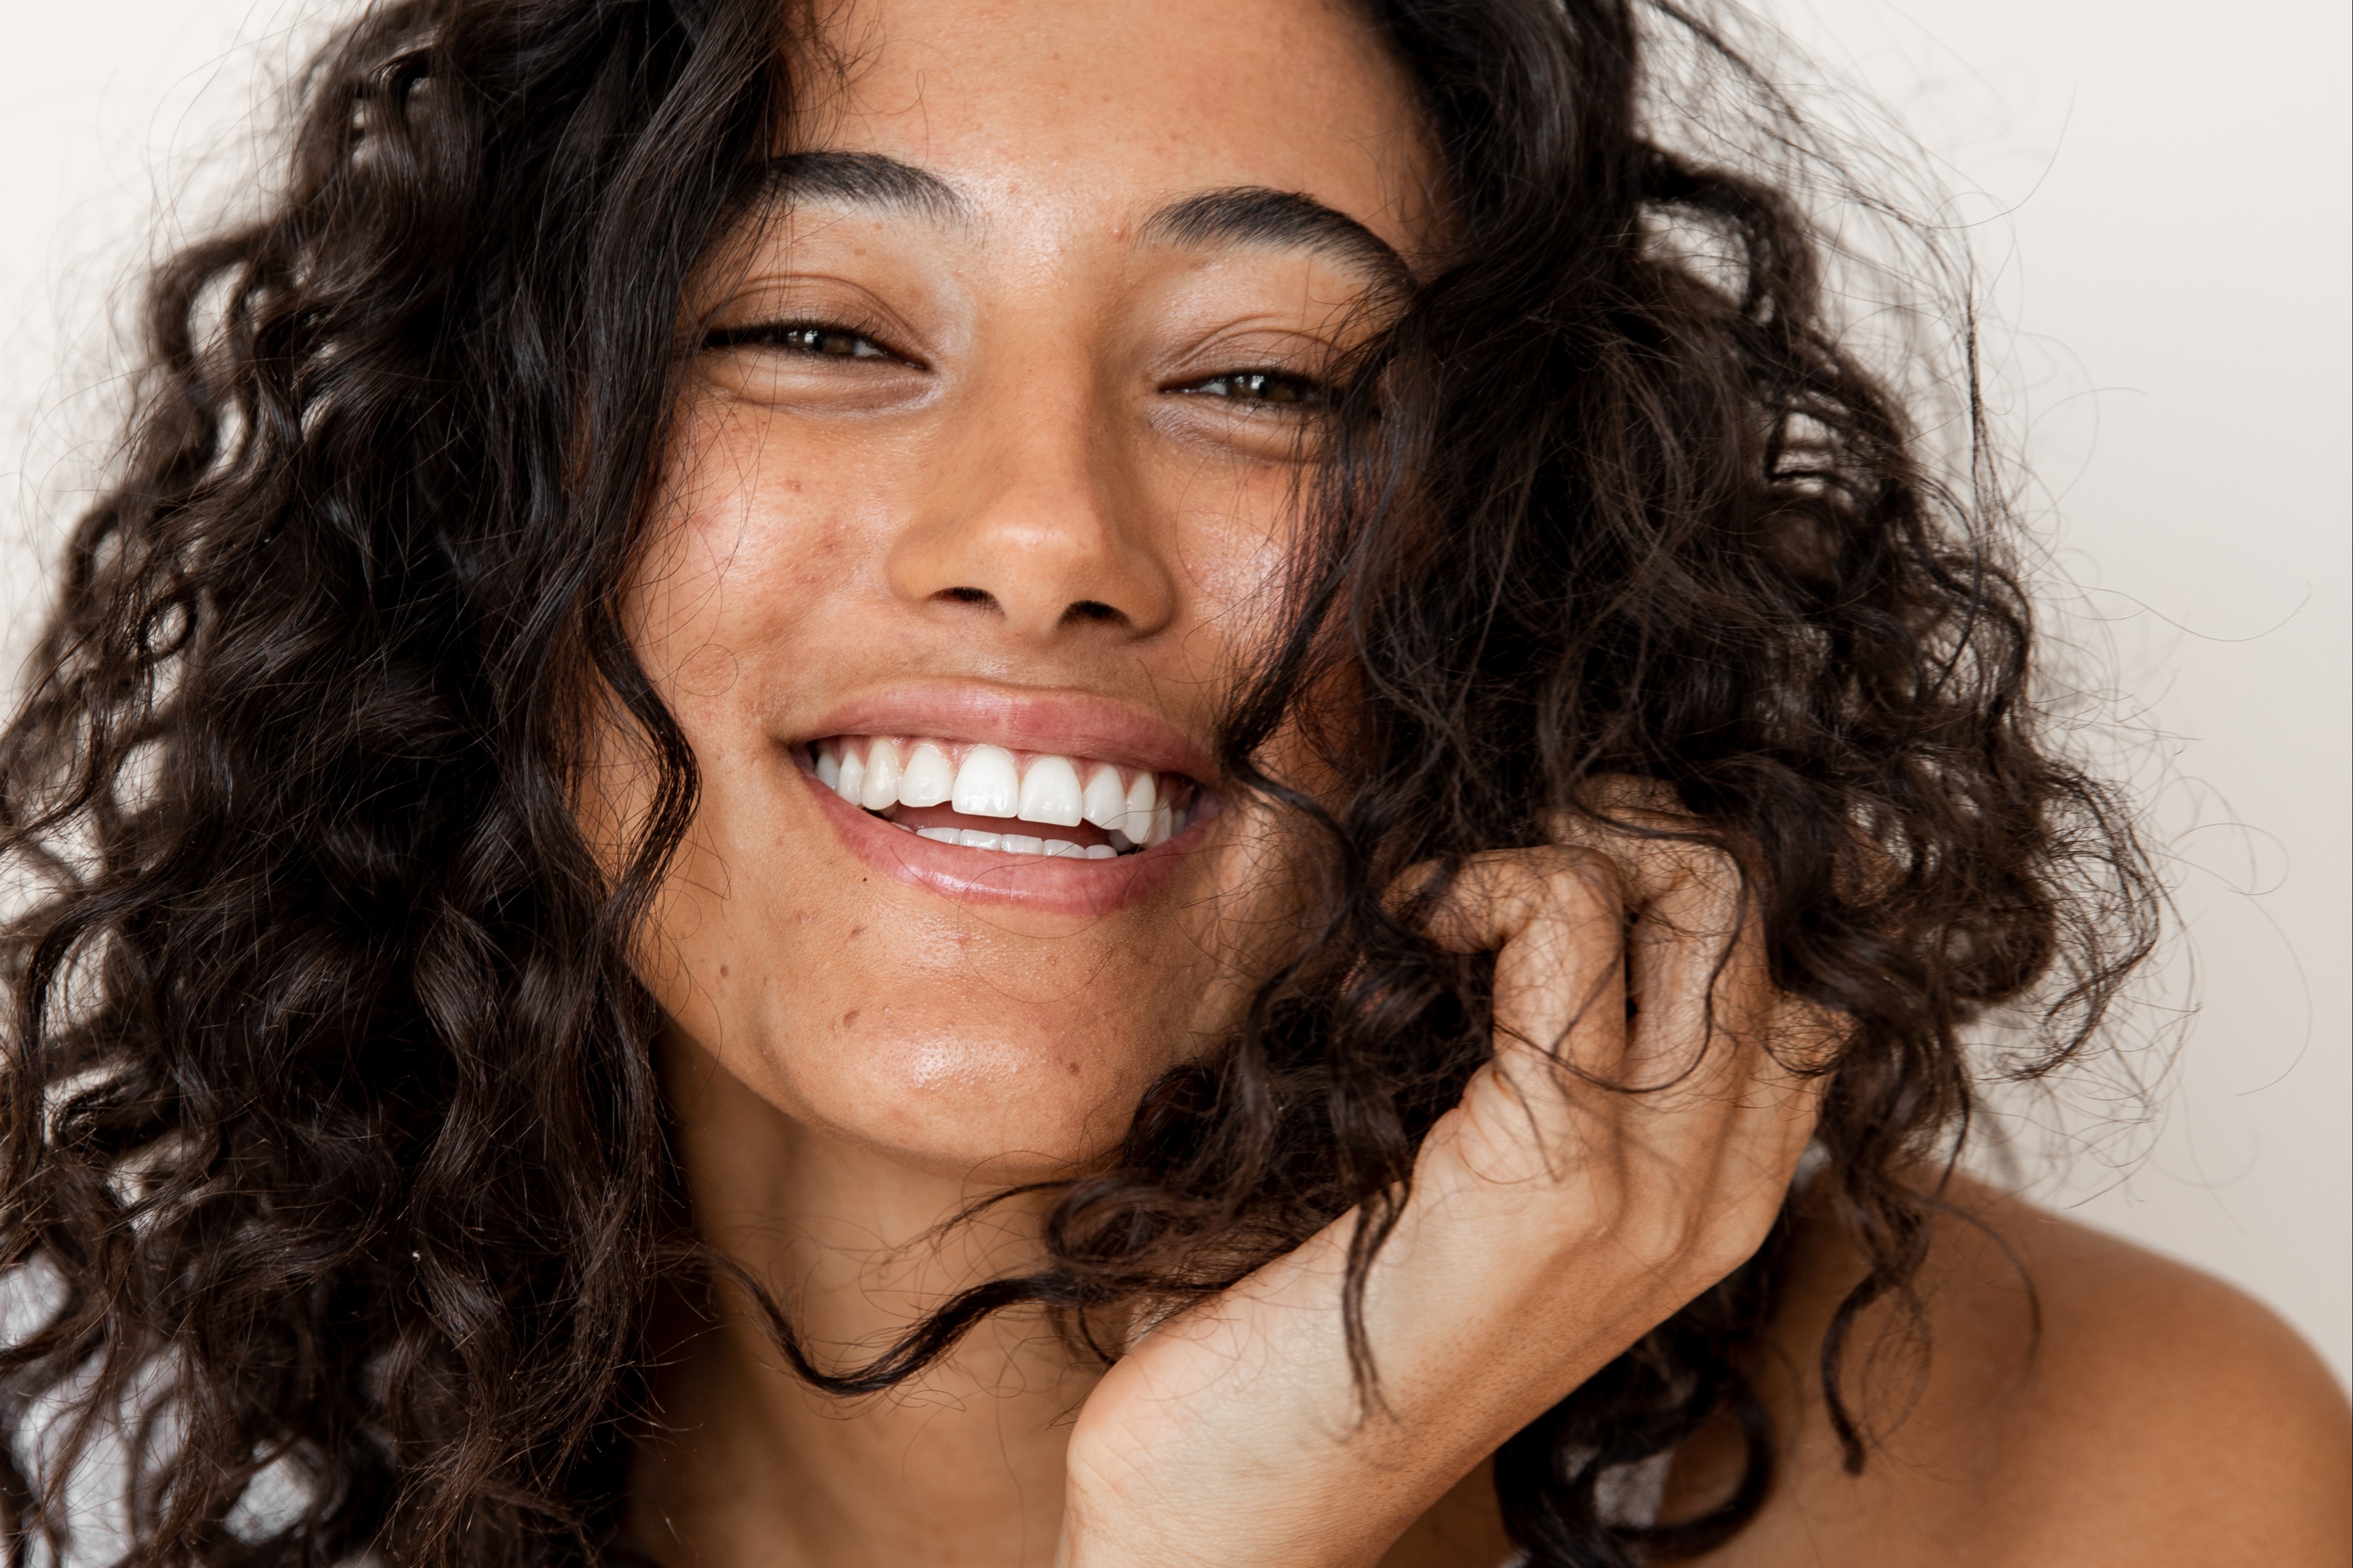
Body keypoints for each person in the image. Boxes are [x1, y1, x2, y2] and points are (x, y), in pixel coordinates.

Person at [1, 0, 2344, 1563]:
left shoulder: (2107, 1473)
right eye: (819, 334)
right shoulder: (96, 1490)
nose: (1043, 542)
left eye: (1269, 383)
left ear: (1521, 566)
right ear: (482, 511)